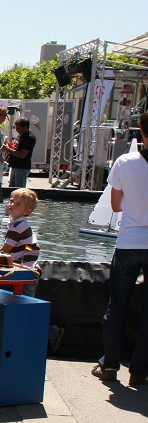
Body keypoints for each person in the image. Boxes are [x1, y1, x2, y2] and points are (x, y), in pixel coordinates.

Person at [92, 111, 148, 386]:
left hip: (129, 241)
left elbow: (115, 206)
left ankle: (110, 364)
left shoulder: (126, 162)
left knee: (117, 305)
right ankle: (140, 370)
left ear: (141, 131)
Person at [0, 187, 41, 295]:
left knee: (22, 297)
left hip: (23, 269)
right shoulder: (23, 224)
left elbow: (6, 249)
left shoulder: (16, 227)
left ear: (27, 211)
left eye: (18, 204)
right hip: (30, 267)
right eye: (11, 201)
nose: (12, 204)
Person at [3, 117, 36, 188]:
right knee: (11, 189)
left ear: (25, 127)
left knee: (19, 190)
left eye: (18, 128)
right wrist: (8, 145)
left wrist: (8, 149)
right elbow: (16, 148)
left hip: (22, 167)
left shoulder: (29, 137)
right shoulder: (20, 135)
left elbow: (22, 154)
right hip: (15, 166)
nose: (17, 130)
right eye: (16, 128)